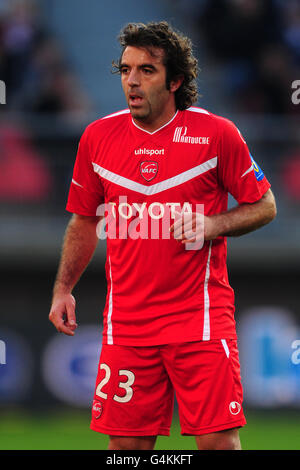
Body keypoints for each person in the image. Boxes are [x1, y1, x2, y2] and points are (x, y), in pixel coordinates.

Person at [49, 21, 276, 450]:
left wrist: (213, 224)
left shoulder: (217, 134)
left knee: (217, 444)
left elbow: (265, 205)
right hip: (128, 326)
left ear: (175, 80)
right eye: (125, 69)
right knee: (127, 451)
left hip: (200, 321)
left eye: (146, 70)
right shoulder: (97, 138)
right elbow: (82, 220)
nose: (132, 80)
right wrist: (63, 289)